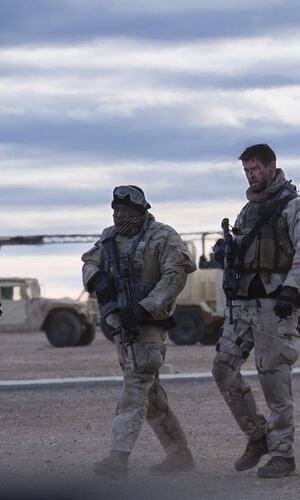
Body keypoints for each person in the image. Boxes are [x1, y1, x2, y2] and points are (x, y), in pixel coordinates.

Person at [211, 144, 300, 478]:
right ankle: (257, 434)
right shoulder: (248, 210)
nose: (251, 175)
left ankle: (282, 454)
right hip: (243, 303)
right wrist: (226, 251)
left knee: (273, 379)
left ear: (272, 166)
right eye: (247, 170)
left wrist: (292, 287)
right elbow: (246, 248)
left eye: (256, 169)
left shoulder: (295, 206)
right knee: (222, 369)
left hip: (275, 305)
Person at [82, 185, 197, 479]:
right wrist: (97, 279)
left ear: (141, 211)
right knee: (152, 395)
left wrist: (144, 307)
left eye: (125, 211)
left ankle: (118, 457)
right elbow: (90, 261)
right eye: (116, 210)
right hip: (122, 327)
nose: (119, 216)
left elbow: (175, 276)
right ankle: (178, 453)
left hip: (149, 327)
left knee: (134, 388)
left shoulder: (163, 236)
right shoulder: (109, 238)